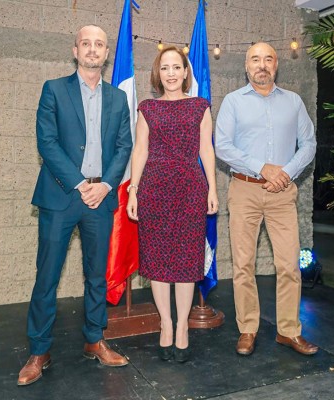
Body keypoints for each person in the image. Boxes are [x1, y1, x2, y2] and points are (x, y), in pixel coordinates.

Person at [17, 25, 133, 386]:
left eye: (99, 44)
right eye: (87, 43)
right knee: (47, 276)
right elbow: (47, 142)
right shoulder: (54, 89)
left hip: (101, 198)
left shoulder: (117, 98)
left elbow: (123, 146)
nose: (93, 50)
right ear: (76, 49)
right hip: (61, 195)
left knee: (97, 275)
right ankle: (39, 350)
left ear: (106, 52)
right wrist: (81, 184)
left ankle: (95, 340)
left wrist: (106, 185)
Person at [215, 42, 318, 357]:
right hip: (244, 190)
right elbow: (222, 146)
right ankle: (248, 328)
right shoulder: (233, 102)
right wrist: (262, 167)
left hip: (282, 193)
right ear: (246, 66)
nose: (262, 65)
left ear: (276, 65)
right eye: (255, 59)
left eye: (268, 59)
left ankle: (289, 331)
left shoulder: (294, 102)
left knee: (289, 265)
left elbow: (309, 144)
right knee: (243, 264)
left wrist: (285, 173)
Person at [126, 46, 218, 363]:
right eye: (164, 68)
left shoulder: (200, 106)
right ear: (158, 73)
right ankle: (166, 324)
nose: (170, 73)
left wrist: (212, 189)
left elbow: (207, 150)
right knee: (159, 262)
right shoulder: (147, 108)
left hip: (191, 189)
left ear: (185, 72)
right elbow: (139, 151)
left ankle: (182, 328)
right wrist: (133, 191)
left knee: (185, 263)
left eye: (176, 67)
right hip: (154, 190)